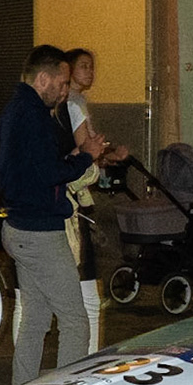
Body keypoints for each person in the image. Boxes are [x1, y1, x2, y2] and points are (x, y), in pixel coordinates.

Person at [0, 44, 107, 385]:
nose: (64, 90)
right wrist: (85, 156)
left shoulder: (17, 110)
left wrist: (72, 157)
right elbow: (48, 173)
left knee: (35, 320)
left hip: (20, 226)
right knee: (75, 321)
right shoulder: (31, 116)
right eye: (61, 83)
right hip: (39, 232)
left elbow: (32, 168)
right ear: (42, 79)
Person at [61, 47, 127, 354]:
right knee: (85, 285)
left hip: (76, 194)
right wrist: (99, 158)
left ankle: (86, 351)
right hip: (74, 199)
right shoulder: (71, 106)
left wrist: (106, 157)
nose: (91, 72)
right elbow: (82, 150)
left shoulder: (77, 104)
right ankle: (88, 354)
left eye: (92, 66)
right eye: (84, 66)